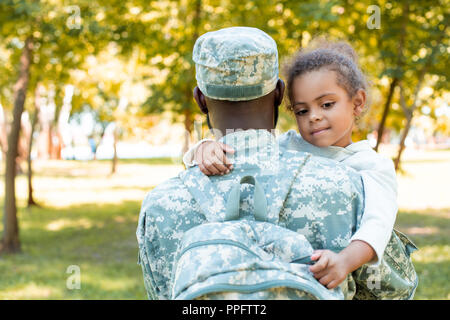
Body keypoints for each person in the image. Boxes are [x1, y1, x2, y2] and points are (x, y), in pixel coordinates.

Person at [136, 27, 368, 300]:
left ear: (200, 100)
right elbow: (389, 291)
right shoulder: (343, 182)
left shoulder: (160, 206)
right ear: (280, 94)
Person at [182, 39, 398, 289]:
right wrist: (203, 148)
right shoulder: (287, 145)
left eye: (326, 104)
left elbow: (378, 224)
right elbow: (245, 151)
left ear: (357, 102)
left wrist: (344, 261)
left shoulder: (370, 166)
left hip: (332, 276)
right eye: (301, 111)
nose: (314, 116)